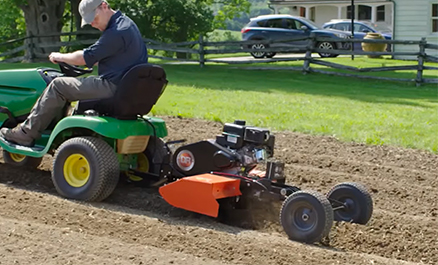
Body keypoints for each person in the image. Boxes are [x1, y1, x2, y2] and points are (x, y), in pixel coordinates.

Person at [0, 0, 148, 147]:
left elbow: (84, 57)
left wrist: (60, 57)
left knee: (58, 85)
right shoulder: (126, 24)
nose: (93, 24)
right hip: (127, 87)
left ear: (104, 6)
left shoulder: (115, 32)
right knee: (80, 82)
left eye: (94, 19)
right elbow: (102, 57)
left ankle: (26, 133)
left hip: (113, 86)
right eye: (90, 22)